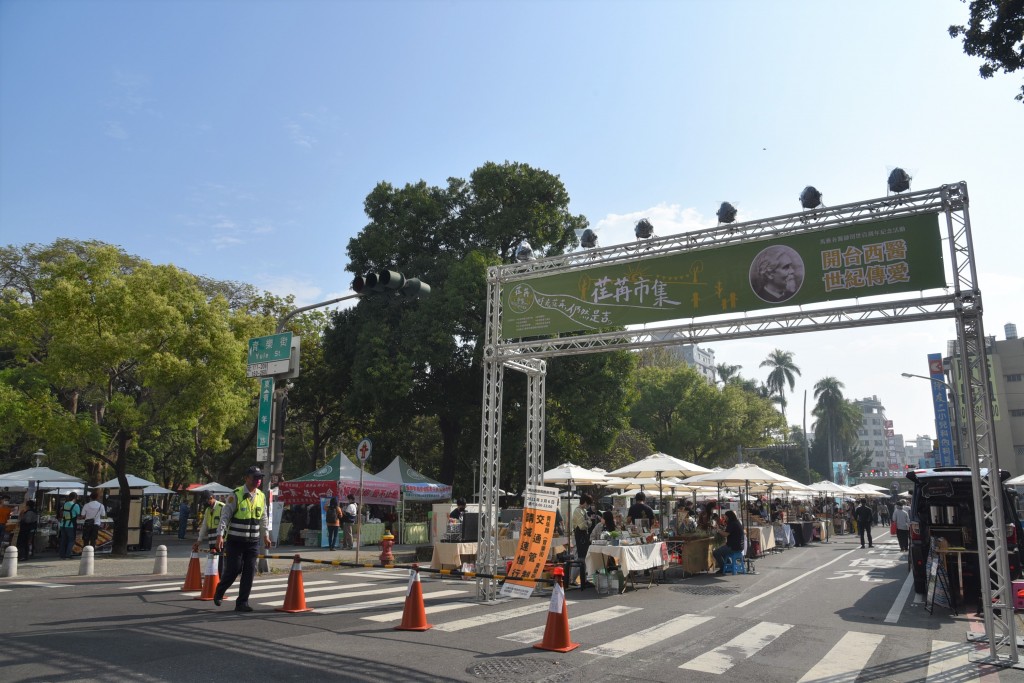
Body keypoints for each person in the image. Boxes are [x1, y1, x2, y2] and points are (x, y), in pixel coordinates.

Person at [213, 466, 271, 613]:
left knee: (250, 571)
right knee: (234, 569)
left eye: (259, 478)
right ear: (246, 478)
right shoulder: (236, 495)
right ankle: (220, 591)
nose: (258, 480)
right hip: (236, 541)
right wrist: (220, 535)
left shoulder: (261, 496)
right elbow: (225, 516)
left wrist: (266, 535)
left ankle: (242, 602)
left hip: (253, 542)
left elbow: (264, 517)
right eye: (255, 477)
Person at [196, 492, 226, 576]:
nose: (205, 503)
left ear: (212, 497)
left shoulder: (222, 507)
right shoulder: (207, 510)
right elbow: (204, 526)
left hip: (221, 541)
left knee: (221, 562)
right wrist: (199, 540)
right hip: (211, 541)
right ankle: (214, 579)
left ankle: (220, 580)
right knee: (213, 561)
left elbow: (226, 525)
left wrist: (221, 538)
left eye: (206, 501)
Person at [570, 494, 595, 589]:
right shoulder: (577, 511)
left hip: (582, 537)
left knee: (582, 558)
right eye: (588, 504)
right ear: (584, 502)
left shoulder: (583, 511)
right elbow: (583, 526)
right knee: (578, 558)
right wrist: (588, 522)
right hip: (578, 537)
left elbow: (588, 523)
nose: (588, 506)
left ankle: (582, 579)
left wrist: (587, 522)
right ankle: (572, 579)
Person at [58, 492, 81, 559]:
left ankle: (62, 554)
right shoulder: (75, 505)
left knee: (63, 540)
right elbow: (79, 514)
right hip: (71, 525)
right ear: (75, 497)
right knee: (71, 540)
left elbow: (61, 512)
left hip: (63, 524)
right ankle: (68, 554)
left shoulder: (65, 504)